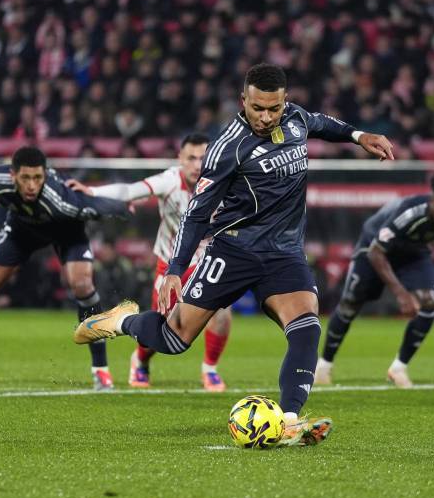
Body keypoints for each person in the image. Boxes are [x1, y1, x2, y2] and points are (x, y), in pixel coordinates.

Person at [73, 63, 394, 446]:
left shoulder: (294, 119)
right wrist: (176, 268)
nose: (266, 116)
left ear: (284, 102)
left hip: (284, 253)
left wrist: (359, 135)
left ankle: (289, 420)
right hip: (233, 250)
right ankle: (123, 321)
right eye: (257, 107)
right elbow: (196, 213)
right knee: (175, 340)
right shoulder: (228, 147)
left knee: (307, 327)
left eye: (273, 108)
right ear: (244, 100)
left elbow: (323, 124)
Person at [0, 146, 130, 390]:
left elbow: (96, 207)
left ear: (45, 174)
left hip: (66, 230)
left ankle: (101, 371)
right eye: (25, 178)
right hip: (21, 229)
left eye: (38, 178)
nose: (32, 185)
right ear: (13, 175)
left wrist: (123, 207)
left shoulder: (62, 199)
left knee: (82, 284)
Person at [67, 133, 233, 391]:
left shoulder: (224, 182)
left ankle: (210, 369)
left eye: (203, 158)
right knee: (163, 329)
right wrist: (92, 191)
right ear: (180, 159)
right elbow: (130, 191)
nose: (197, 164)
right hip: (171, 266)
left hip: (207, 264)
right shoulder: (170, 179)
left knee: (222, 315)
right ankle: (141, 360)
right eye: (191, 158)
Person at [314, 173, 434, 388]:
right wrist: (402, 294)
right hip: (373, 246)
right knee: (350, 303)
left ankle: (398, 368)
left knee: (429, 303)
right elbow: (376, 253)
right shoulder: (409, 213)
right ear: (431, 200)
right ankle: (324, 366)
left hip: (413, 251)